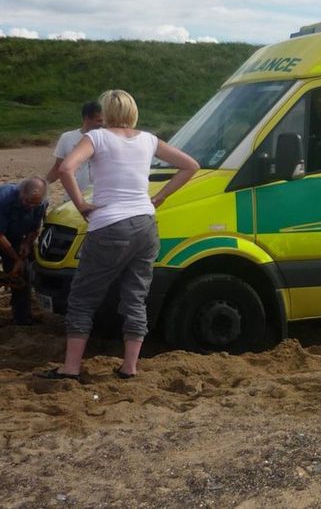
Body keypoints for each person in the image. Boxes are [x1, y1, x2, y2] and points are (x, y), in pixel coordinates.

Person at [38, 90, 198, 381]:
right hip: (145, 224)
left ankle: (71, 367)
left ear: (107, 112)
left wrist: (81, 204)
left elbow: (65, 168)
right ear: (133, 111)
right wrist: (160, 197)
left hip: (110, 225)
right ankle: (129, 367)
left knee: (83, 298)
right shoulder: (149, 140)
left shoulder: (97, 138)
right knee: (136, 295)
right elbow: (191, 166)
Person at [0, 177, 48, 325]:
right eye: (27, 202)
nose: (31, 207)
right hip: (2, 234)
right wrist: (16, 259)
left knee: (22, 275)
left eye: (35, 204)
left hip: (15, 236)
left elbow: (35, 228)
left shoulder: (42, 203)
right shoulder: (4, 198)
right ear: (21, 193)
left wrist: (27, 243)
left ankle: (22, 318)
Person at [46, 101, 104, 193]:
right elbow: (58, 167)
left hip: (98, 197)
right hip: (72, 198)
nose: (102, 124)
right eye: (99, 120)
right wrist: (43, 183)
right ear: (87, 118)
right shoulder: (67, 138)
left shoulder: (106, 138)